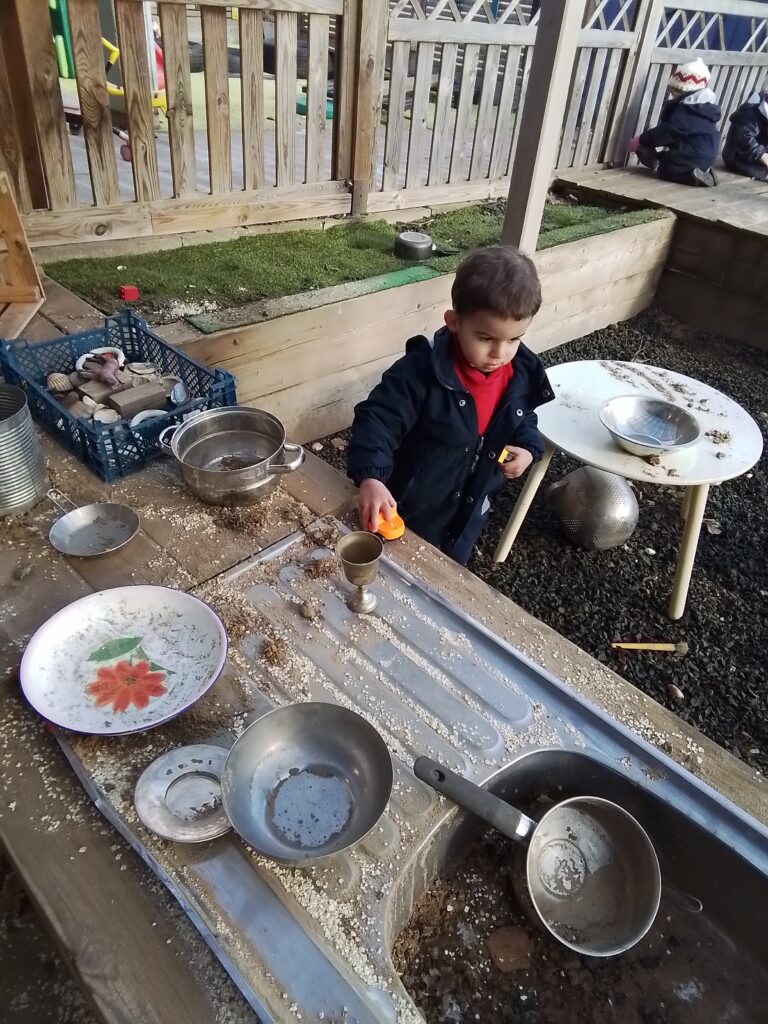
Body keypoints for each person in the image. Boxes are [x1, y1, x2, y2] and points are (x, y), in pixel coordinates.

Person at [346, 246, 553, 565]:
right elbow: (378, 421)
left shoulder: (517, 376)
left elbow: (520, 418)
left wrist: (528, 449)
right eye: (485, 338)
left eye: (514, 339)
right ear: (454, 322)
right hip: (408, 509)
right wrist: (371, 478)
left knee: (447, 573)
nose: (500, 353)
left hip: (466, 514)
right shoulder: (421, 373)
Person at [628, 58, 720, 187]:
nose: (672, 95)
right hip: (701, 155)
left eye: (675, 91)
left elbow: (667, 131)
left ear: (685, 91)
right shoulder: (703, 109)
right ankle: (705, 172)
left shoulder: (687, 112)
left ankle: (691, 176)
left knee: (667, 170)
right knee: (667, 156)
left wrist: (642, 140)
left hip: (690, 158)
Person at [723, 86, 768, 179]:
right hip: (737, 156)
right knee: (761, 172)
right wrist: (762, 155)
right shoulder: (751, 112)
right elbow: (743, 137)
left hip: (756, 156)